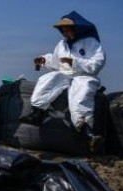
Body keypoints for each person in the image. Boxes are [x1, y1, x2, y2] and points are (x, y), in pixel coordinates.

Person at [20, 11, 106, 150]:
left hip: (84, 75)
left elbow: (97, 63)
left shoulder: (90, 42)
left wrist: (75, 62)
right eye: (64, 30)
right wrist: (44, 60)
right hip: (66, 74)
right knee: (46, 79)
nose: (66, 33)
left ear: (76, 28)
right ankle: (36, 114)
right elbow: (55, 62)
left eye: (69, 29)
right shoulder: (62, 44)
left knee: (80, 97)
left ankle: (88, 133)